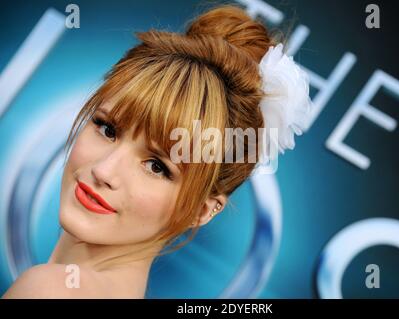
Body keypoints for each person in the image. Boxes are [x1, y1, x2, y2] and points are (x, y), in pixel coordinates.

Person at [2, 3, 311, 298]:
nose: (104, 170)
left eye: (157, 166)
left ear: (201, 210)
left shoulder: (50, 290)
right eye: (107, 129)